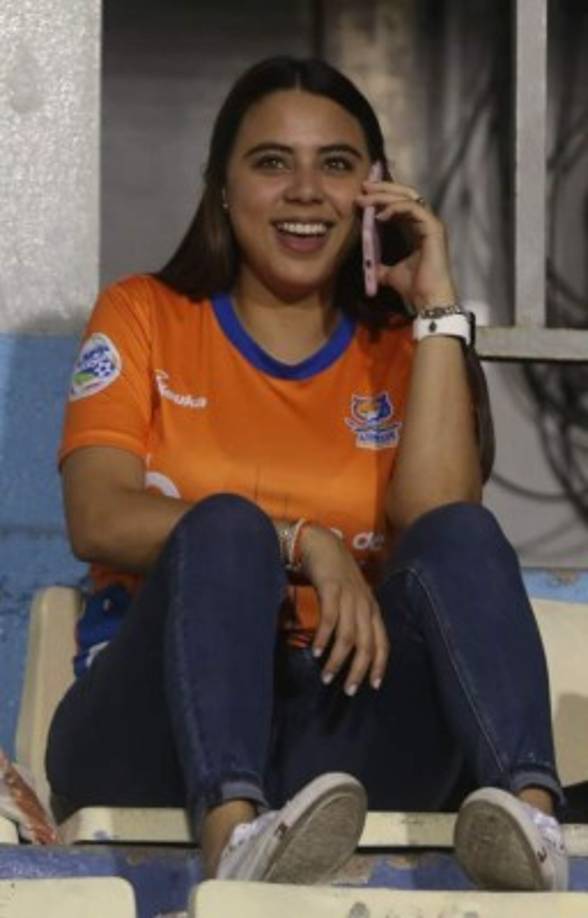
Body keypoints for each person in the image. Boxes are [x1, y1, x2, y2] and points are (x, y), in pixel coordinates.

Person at [45, 56, 568, 890]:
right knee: (227, 525)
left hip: (336, 729)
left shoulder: (401, 349)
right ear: (221, 186)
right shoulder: (144, 313)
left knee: (468, 531)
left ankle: (537, 832)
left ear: (376, 191)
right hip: (153, 729)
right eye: (271, 162)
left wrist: (435, 308)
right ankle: (236, 846)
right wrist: (300, 543)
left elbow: (437, 532)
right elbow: (97, 516)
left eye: (336, 164)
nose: (304, 191)